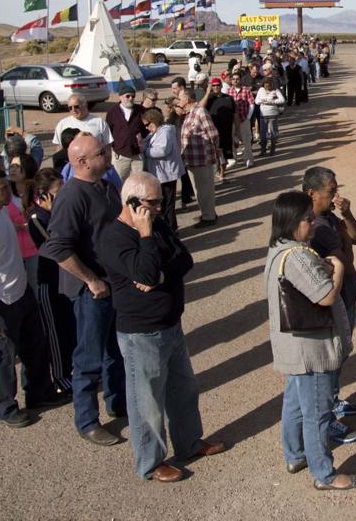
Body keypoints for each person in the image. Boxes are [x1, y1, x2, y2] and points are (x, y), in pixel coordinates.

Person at [99, 172, 228, 482]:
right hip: (141, 332)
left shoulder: (157, 225)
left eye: (160, 201)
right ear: (131, 202)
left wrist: (159, 276)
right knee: (147, 403)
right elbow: (143, 272)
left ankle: (189, 442)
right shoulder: (114, 238)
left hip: (171, 324)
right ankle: (150, 462)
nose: (159, 208)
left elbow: (185, 260)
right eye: (153, 203)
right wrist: (145, 238)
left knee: (184, 390)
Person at [263, 191, 356, 491]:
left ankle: (295, 455)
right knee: (317, 412)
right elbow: (326, 295)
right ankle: (325, 474)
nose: (313, 223)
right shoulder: (297, 256)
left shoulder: (280, 249)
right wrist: (338, 267)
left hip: (296, 346)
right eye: (308, 219)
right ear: (293, 222)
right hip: (312, 349)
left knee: (295, 402)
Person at [38, 133, 127, 447]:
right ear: (82, 162)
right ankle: (87, 421)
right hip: (92, 292)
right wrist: (91, 280)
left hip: (114, 284)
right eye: (101, 152)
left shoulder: (105, 186)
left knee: (115, 351)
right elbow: (58, 248)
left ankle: (119, 403)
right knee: (88, 358)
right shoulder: (72, 196)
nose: (108, 153)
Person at [0, 168, 64, 428]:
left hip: (21, 292)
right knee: (1, 358)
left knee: (35, 346)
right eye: (3, 188)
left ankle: (39, 393)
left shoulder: (3, 212)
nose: (9, 192)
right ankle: (5, 407)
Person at [303, 167, 356, 438]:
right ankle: (326, 418)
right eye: (331, 191)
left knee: (340, 356)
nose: (335, 195)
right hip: (334, 300)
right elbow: (346, 264)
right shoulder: (315, 226)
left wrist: (346, 215)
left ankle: (334, 400)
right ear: (312, 193)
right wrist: (343, 245)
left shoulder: (328, 216)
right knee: (331, 360)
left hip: (346, 295)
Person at [27, 168, 76, 397]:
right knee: (56, 332)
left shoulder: (61, 212)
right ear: (44, 195)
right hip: (50, 282)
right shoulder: (38, 219)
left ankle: (73, 370)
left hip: (67, 280)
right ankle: (60, 377)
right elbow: (58, 245)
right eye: (58, 192)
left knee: (70, 327)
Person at [178, 89, 220, 229]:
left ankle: (209, 217)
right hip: (192, 159)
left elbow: (213, 133)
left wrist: (215, 150)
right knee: (199, 190)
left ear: (187, 99)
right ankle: (207, 213)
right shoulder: (189, 112)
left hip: (202, 158)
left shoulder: (200, 111)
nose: (179, 101)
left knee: (204, 189)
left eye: (180, 98)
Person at [142, 107, 185, 232]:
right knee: (162, 203)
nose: (146, 128)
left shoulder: (166, 131)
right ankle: (168, 228)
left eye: (147, 124)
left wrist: (145, 151)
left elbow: (162, 150)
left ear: (154, 120)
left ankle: (172, 229)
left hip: (167, 175)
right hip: (160, 175)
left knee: (168, 204)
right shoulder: (154, 132)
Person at [6, 153, 42, 290]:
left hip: (36, 250)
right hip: (12, 251)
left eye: (17, 166)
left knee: (37, 287)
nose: (12, 169)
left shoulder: (38, 193)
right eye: (11, 166)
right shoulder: (4, 193)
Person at [105, 88, 146, 181]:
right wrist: (114, 147)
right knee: (119, 181)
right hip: (120, 154)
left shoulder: (140, 110)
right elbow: (108, 131)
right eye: (127, 96)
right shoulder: (112, 111)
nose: (130, 98)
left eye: (133, 96)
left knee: (139, 181)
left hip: (137, 154)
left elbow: (145, 129)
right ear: (120, 97)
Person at [203, 78, 236, 179]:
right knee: (216, 154)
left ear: (221, 86)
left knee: (225, 154)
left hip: (227, 131)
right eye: (213, 85)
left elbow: (235, 115)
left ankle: (222, 173)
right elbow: (200, 107)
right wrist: (207, 93)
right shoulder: (209, 99)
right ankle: (219, 171)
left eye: (217, 85)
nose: (216, 87)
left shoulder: (229, 98)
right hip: (213, 132)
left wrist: (237, 130)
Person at [225, 72, 255, 168]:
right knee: (231, 140)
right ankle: (233, 160)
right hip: (232, 121)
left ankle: (248, 159)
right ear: (231, 80)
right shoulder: (228, 91)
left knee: (246, 140)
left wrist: (248, 117)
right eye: (233, 79)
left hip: (243, 119)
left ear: (240, 80)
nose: (235, 81)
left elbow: (251, 104)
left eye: (237, 79)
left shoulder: (246, 90)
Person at [255, 77, 285, 156]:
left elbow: (282, 100)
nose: (267, 86)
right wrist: (263, 101)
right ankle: (263, 149)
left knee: (272, 132)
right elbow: (256, 101)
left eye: (268, 84)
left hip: (273, 114)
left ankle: (272, 149)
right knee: (263, 133)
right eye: (265, 84)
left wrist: (272, 102)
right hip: (263, 114)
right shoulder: (261, 90)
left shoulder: (275, 90)